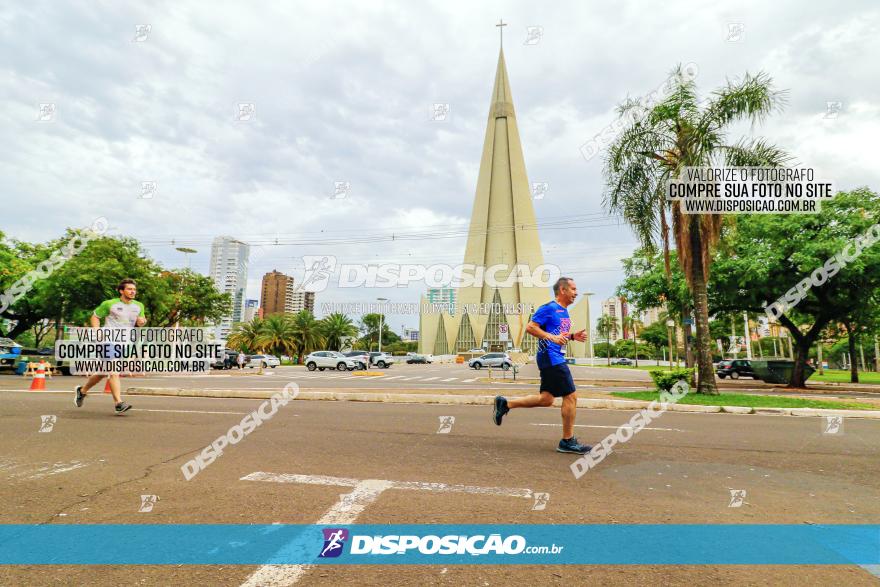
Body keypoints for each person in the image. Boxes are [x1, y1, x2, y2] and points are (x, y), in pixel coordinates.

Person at [492, 277, 592, 454]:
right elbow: (531, 327)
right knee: (571, 396)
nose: (576, 293)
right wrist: (552, 338)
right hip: (551, 358)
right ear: (562, 290)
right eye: (573, 289)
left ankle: (505, 404)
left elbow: (559, 333)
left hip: (553, 357)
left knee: (546, 399)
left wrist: (571, 336)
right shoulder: (549, 308)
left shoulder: (563, 311)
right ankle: (567, 441)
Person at [73, 279, 146, 414]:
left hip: (125, 343)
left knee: (102, 372)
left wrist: (142, 322)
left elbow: (140, 322)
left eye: (134, 289)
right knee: (114, 371)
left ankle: (82, 391)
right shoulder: (109, 304)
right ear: (121, 291)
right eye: (129, 289)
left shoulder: (139, 306)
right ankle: (118, 403)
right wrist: (97, 331)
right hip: (108, 341)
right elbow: (95, 316)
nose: (133, 292)